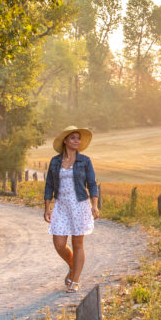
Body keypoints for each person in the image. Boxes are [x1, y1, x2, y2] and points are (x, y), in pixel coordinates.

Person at [44, 125, 100, 292]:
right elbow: (49, 185)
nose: (77, 140)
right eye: (73, 138)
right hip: (61, 205)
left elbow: (92, 184)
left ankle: (75, 281)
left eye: (78, 138)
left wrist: (95, 205)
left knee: (78, 243)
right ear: (66, 141)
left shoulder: (85, 161)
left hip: (79, 205)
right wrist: (47, 208)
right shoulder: (55, 161)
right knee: (59, 243)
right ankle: (72, 266)